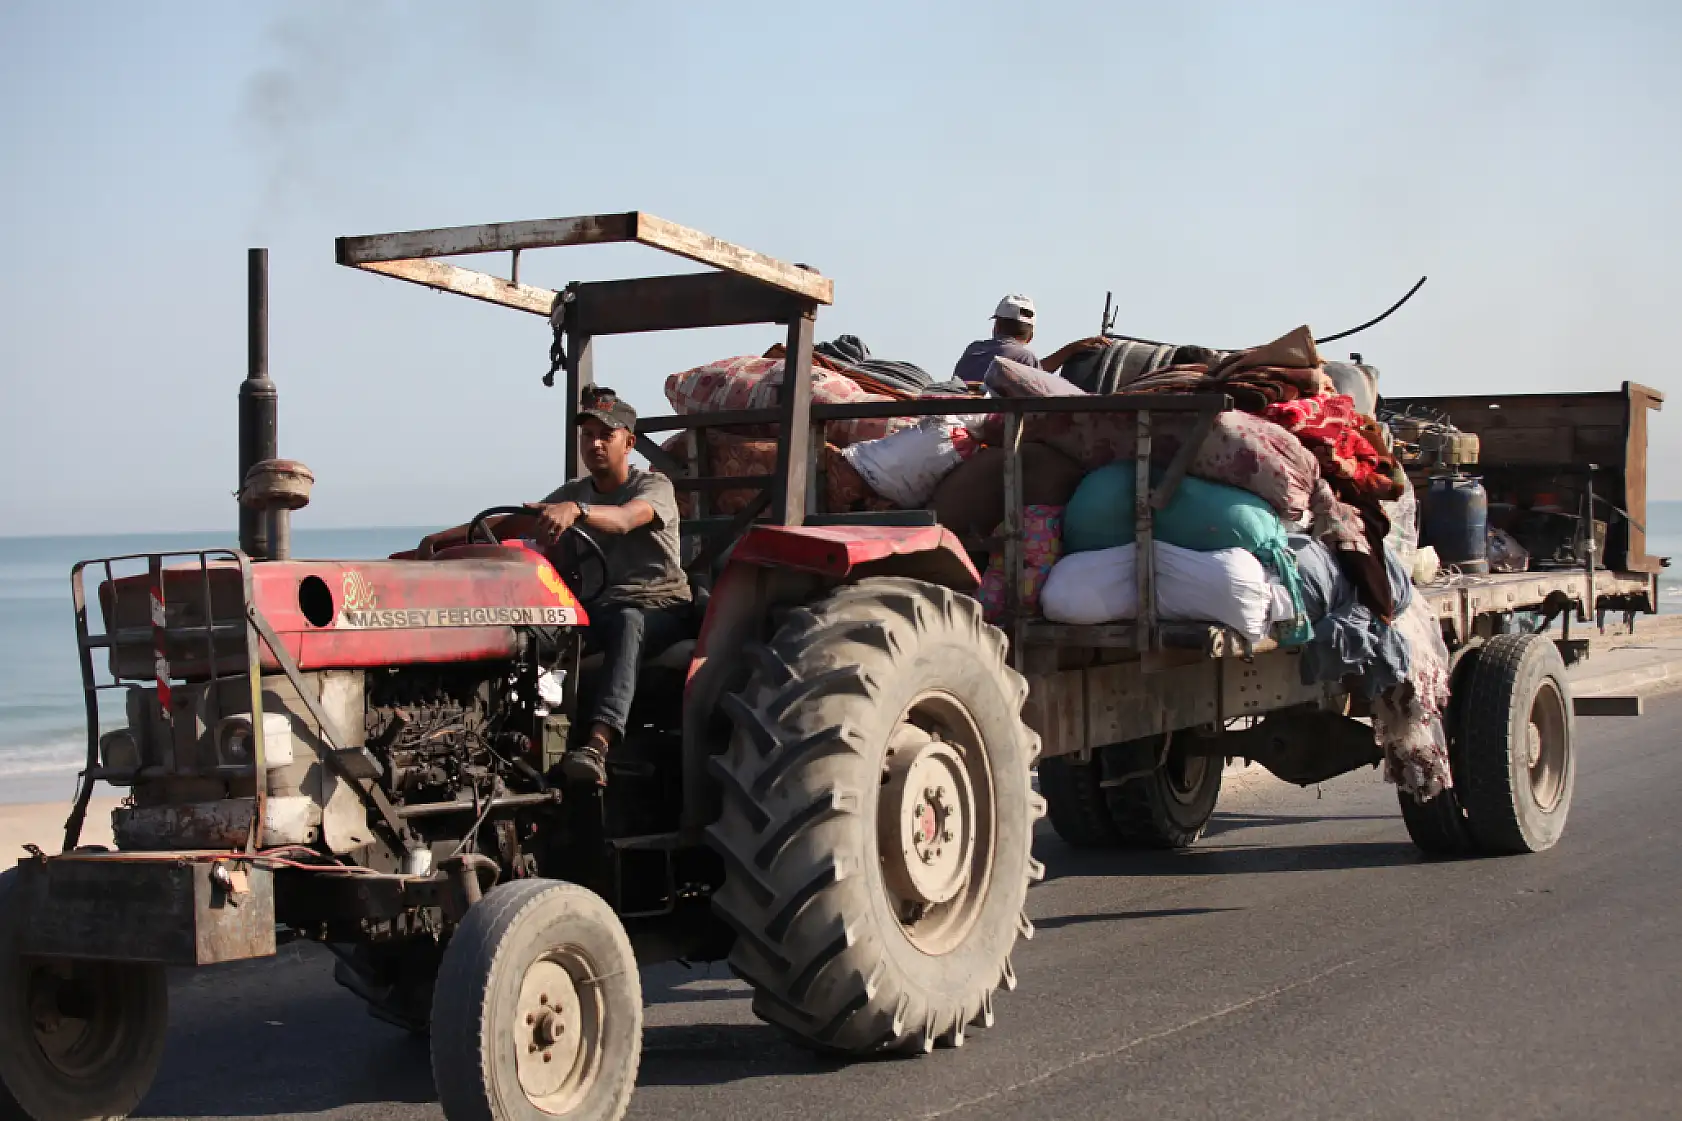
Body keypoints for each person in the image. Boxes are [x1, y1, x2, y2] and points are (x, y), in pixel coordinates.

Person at [418, 386, 691, 787]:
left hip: (660, 607)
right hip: (596, 608)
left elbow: (624, 519)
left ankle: (599, 743)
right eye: (587, 435)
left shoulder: (652, 487)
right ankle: (489, 731)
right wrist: (441, 539)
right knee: (527, 633)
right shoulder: (573, 492)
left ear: (629, 443)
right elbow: (515, 520)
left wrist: (577, 512)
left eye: (605, 435)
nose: (594, 443)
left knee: (628, 622)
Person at [951, 294, 1108, 388]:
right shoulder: (1025, 357)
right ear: (1030, 336)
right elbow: (1037, 379)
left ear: (997, 326)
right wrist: (1071, 350)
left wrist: (1068, 350)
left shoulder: (974, 348)